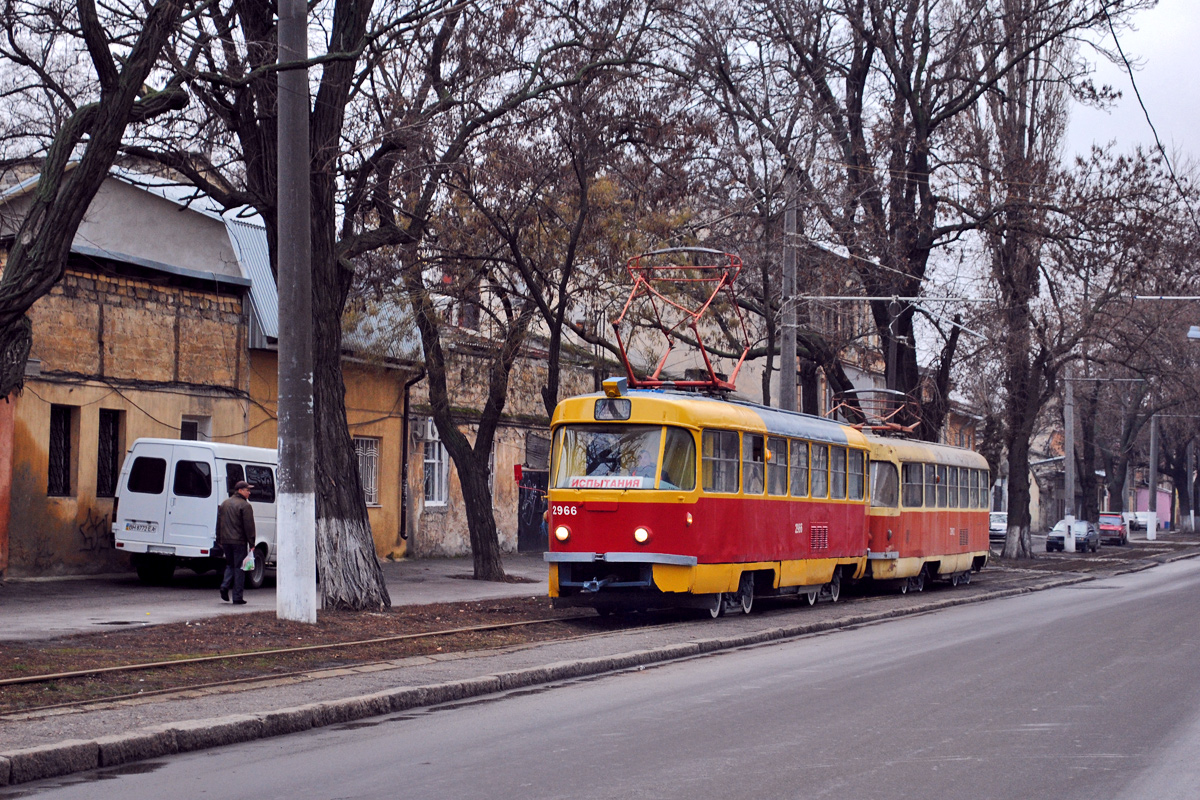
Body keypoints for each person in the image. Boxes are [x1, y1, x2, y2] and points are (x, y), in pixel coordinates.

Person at [217, 480, 257, 605]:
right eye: (247, 490)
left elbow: (219, 523)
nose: (249, 493)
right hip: (239, 541)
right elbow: (249, 526)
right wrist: (252, 543)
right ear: (240, 491)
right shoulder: (245, 506)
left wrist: (219, 539)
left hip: (226, 541)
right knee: (240, 568)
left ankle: (224, 585)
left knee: (230, 565)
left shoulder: (224, 503)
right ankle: (237, 597)